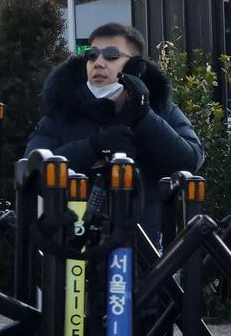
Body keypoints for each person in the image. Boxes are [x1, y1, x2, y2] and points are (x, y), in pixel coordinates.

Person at [26, 22, 202, 242]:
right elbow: (32, 169)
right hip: (74, 249)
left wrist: (143, 116)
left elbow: (189, 160)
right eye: (91, 56)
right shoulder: (62, 111)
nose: (98, 63)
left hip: (143, 249)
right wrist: (93, 147)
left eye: (111, 56)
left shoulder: (161, 110)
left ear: (136, 67)